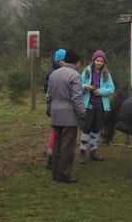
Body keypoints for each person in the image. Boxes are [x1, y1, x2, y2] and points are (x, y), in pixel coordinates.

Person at [46, 49, 86, 183]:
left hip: (56, 113)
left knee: (57, 145)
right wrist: (82, 114)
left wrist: (50, 108)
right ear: (77, 62)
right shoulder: (75, 76)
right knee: (67, 147)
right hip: (69, 115)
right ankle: (64, 174)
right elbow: (77, 98)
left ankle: (55, 173)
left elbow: (48, 95)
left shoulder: (54, 74)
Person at [78, 49, 115, 164]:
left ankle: (93, 151)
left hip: (101, 105)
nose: (99, 63)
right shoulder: (87, 71)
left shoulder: (106, 74)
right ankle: (83, 152)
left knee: (96, 128)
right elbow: (78, 84)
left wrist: (100, 91)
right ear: (93, 60)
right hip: (89, 104)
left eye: (101, 61)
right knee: (87, 128)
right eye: (97, 60)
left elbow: (111, 89)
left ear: (104, 63)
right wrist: (85, 86)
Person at [43, 48, 66, 169]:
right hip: (56, 106)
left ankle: (55, 156)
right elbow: (49, 92)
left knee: (60, 132)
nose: (65, 62)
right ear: (58, 60)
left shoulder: (61, 71)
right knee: (56, 132)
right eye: (63, 60)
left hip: (58, 106)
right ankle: (51, 157)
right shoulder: (53, 73)